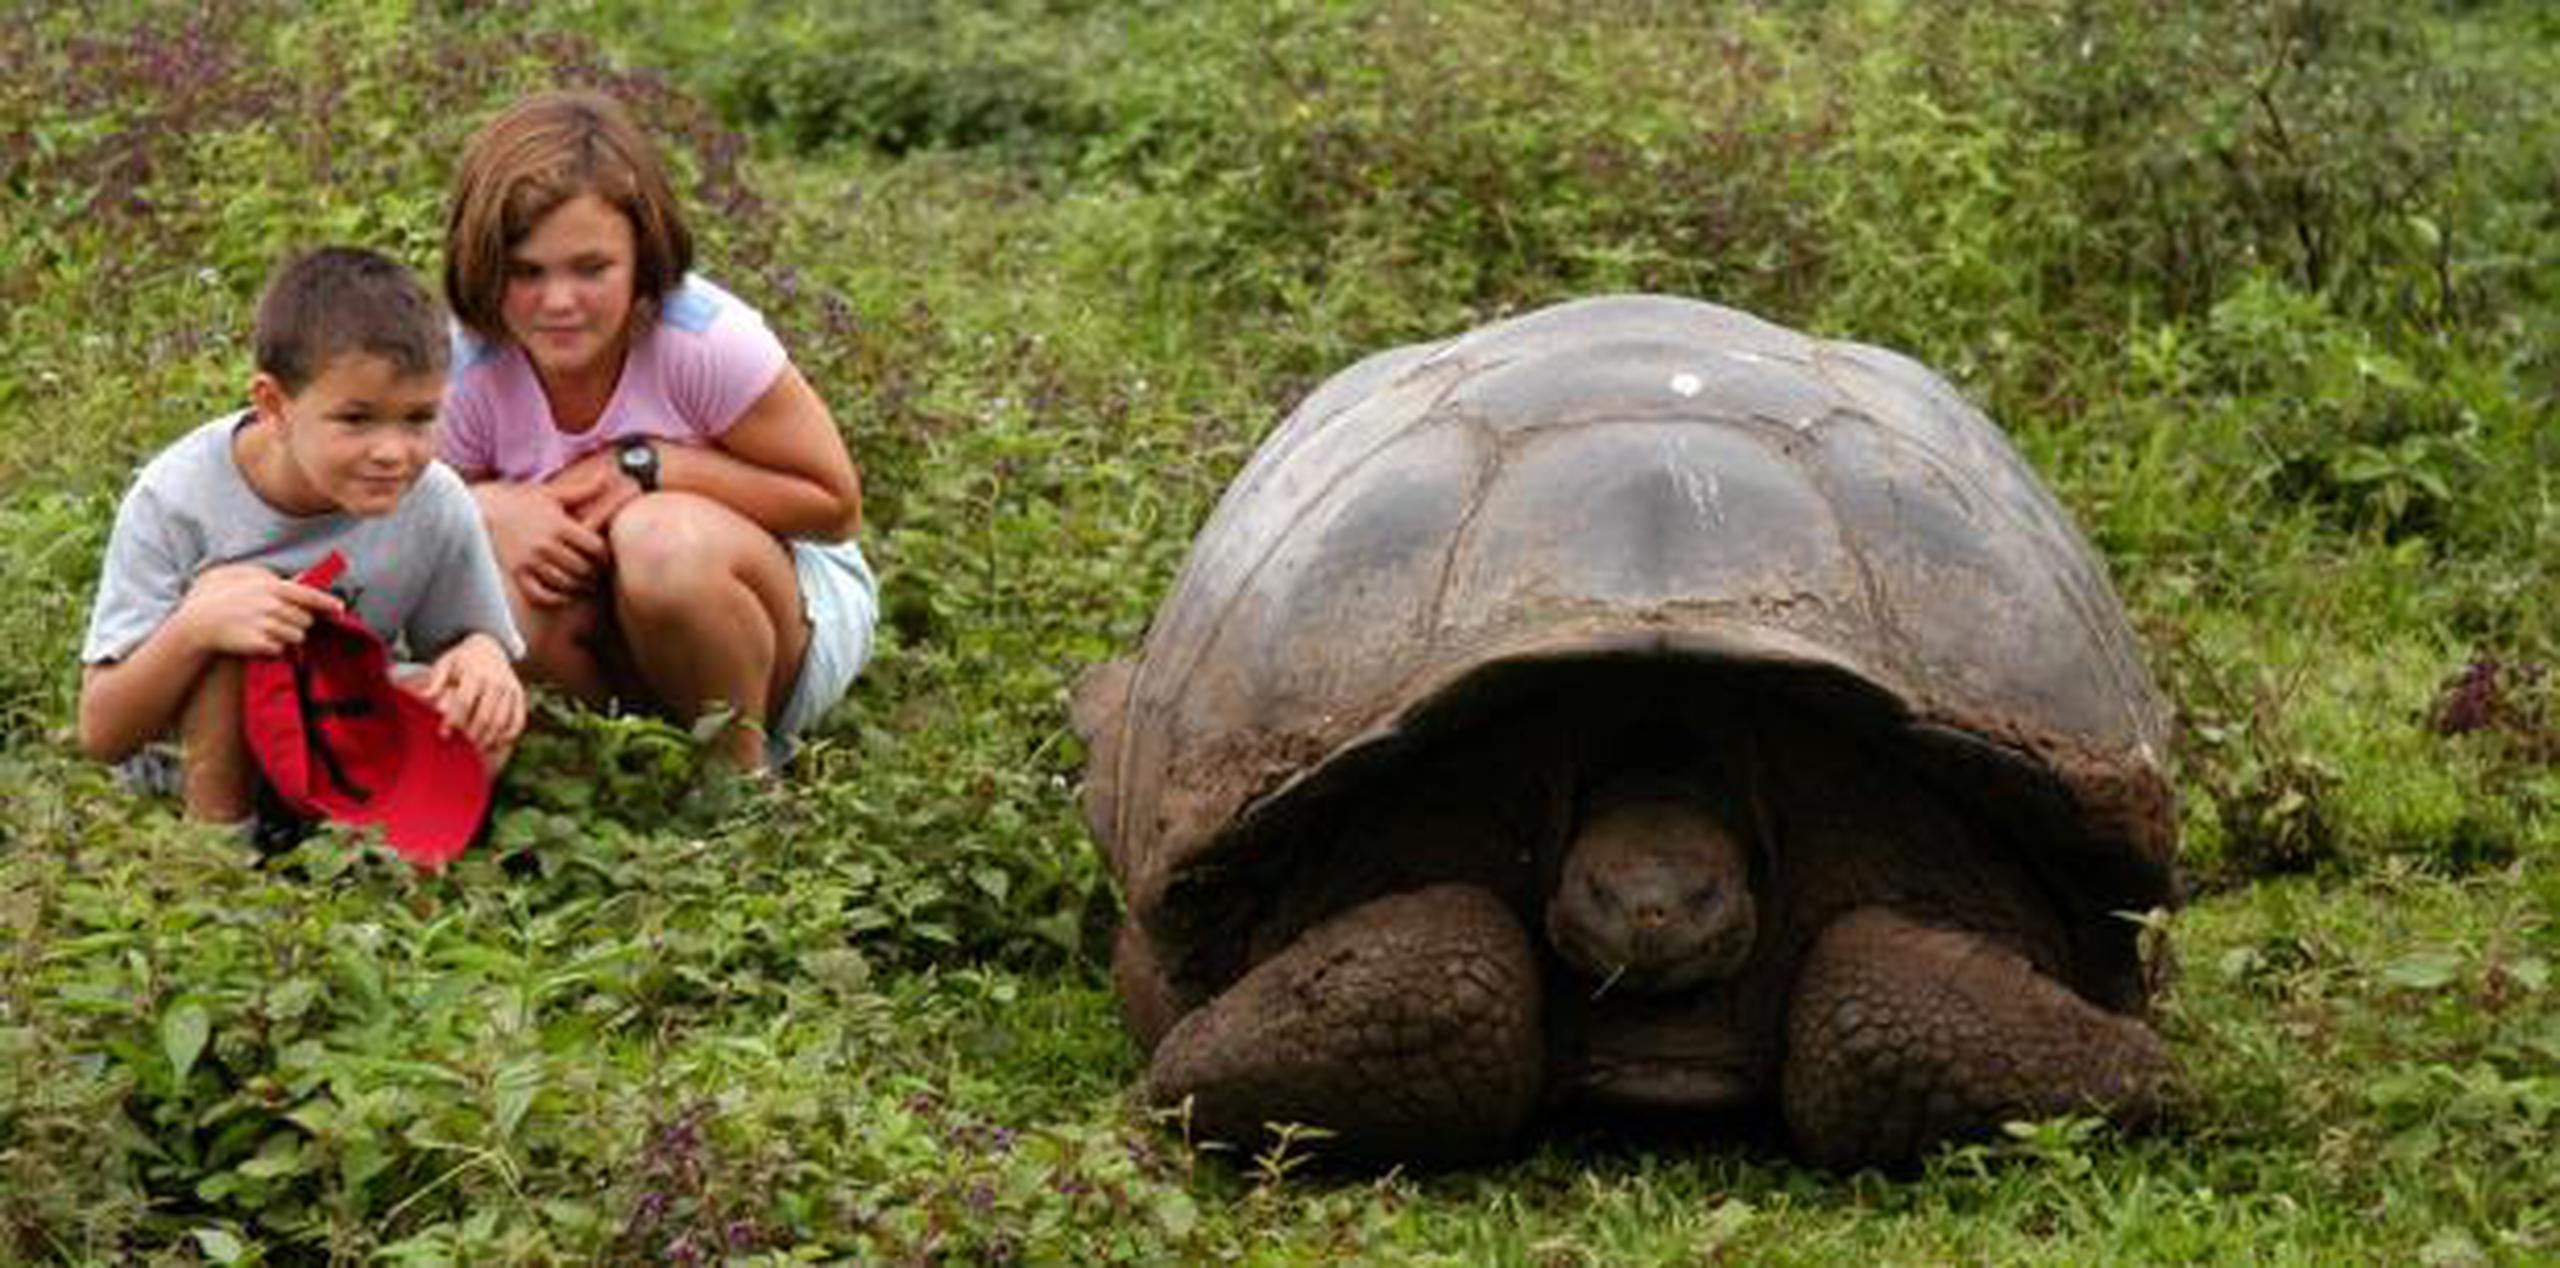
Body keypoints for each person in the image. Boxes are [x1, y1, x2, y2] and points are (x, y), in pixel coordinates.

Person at [439, 89, 874, 771]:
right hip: (601, 640)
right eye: (526, 272)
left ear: (642, 253)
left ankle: (738, 786)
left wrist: (653, 467)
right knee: (492, 575)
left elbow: (835, 508)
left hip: (774, 625)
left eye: (592, 268)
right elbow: (402, 532)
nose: (558, 302)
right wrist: (484, 506)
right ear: (486, 263)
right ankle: (613, 777)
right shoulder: (465, 369)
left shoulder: (702, 339)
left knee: (660, 540)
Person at [79, 246, 527, 831]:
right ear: (273, 406)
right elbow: (101, 732)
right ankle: (218, 860)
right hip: (186, 760)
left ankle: (379, 865)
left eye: (418, 419)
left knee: (475, 710)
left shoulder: (436, 501)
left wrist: (483, 655)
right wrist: (195, 625)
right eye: (356, 419)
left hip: (332, 725)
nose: (392, 452)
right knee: (244, 606)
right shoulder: (177, 499)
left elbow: (468, 643)